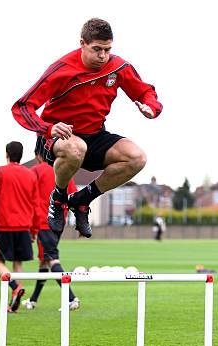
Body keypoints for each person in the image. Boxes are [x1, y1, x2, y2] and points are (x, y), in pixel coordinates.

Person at [12, 18, 163, 238]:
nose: (103, 56)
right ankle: (59, 197)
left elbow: (145, 92)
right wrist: (47, 128)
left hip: (95, 135)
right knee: (76, 147)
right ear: (82, 43)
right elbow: (22, 107)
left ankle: (82, 200)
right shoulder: (61, 69)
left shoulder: (118, 66)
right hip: (59, 138)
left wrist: (150, 107)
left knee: (137, 158)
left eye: (107, 50)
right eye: (97, 49)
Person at [0, 142, 40, 312]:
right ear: (21, 155)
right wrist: (34, 230)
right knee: (17, 263)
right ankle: (15, 302)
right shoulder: (30, 175)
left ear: (6, 153)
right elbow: (36, 205)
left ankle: (14, 287)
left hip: (5, 227)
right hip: (24, 228)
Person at [23, 145, 80, 311]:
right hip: (58, 223)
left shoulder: (35, 171)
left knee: (53, 259)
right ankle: (33, 300)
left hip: (42, 222)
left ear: (37, 155)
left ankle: (71, 298)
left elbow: (27, 197)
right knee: (45, 261)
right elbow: (74, 196)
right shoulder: (63, 170)